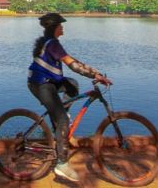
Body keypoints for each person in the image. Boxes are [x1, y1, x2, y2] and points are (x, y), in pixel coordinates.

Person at [27, 13, 112, 183]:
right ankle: (61, 164)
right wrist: (95, 75)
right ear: (55, 28)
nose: (63, 27)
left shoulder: (51, 43)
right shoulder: (52, 44)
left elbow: (73, 60)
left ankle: (62, 116)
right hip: (41, 85)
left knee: (72, 85)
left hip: (50, 82)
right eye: (61, 25)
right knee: (63, 122)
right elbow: (72, 65)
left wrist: (95, 72)